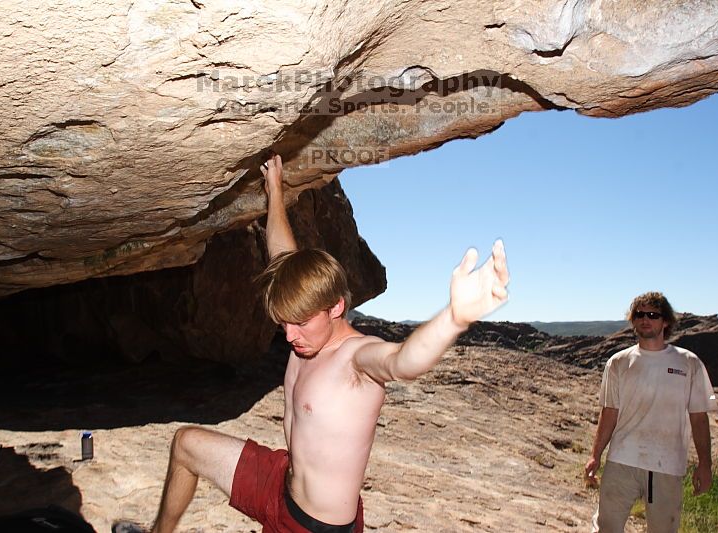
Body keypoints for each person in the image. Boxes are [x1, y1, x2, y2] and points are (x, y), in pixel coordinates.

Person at [113, 154, 510, 533]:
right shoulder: (304, 322)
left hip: (314, 526)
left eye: (300, 323)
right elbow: (282, 256)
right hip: (279, 480)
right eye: (283, 322)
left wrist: (455, 317)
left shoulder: (357, 359)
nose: (289, 336)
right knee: (187, 444)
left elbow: (403, 361)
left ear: (336, 306)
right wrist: (275, 189)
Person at [584, 292, 717, 533]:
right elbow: (609, 411)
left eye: (653, 314)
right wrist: (596, 455)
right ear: (633, 320)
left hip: (666, 464)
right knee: (606, 527)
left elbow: (699, 417)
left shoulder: (689, 363)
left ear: (666, 321)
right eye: (639, 314)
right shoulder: (618, 362)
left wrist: (705, 465)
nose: (646, 319)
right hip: (622, 460)